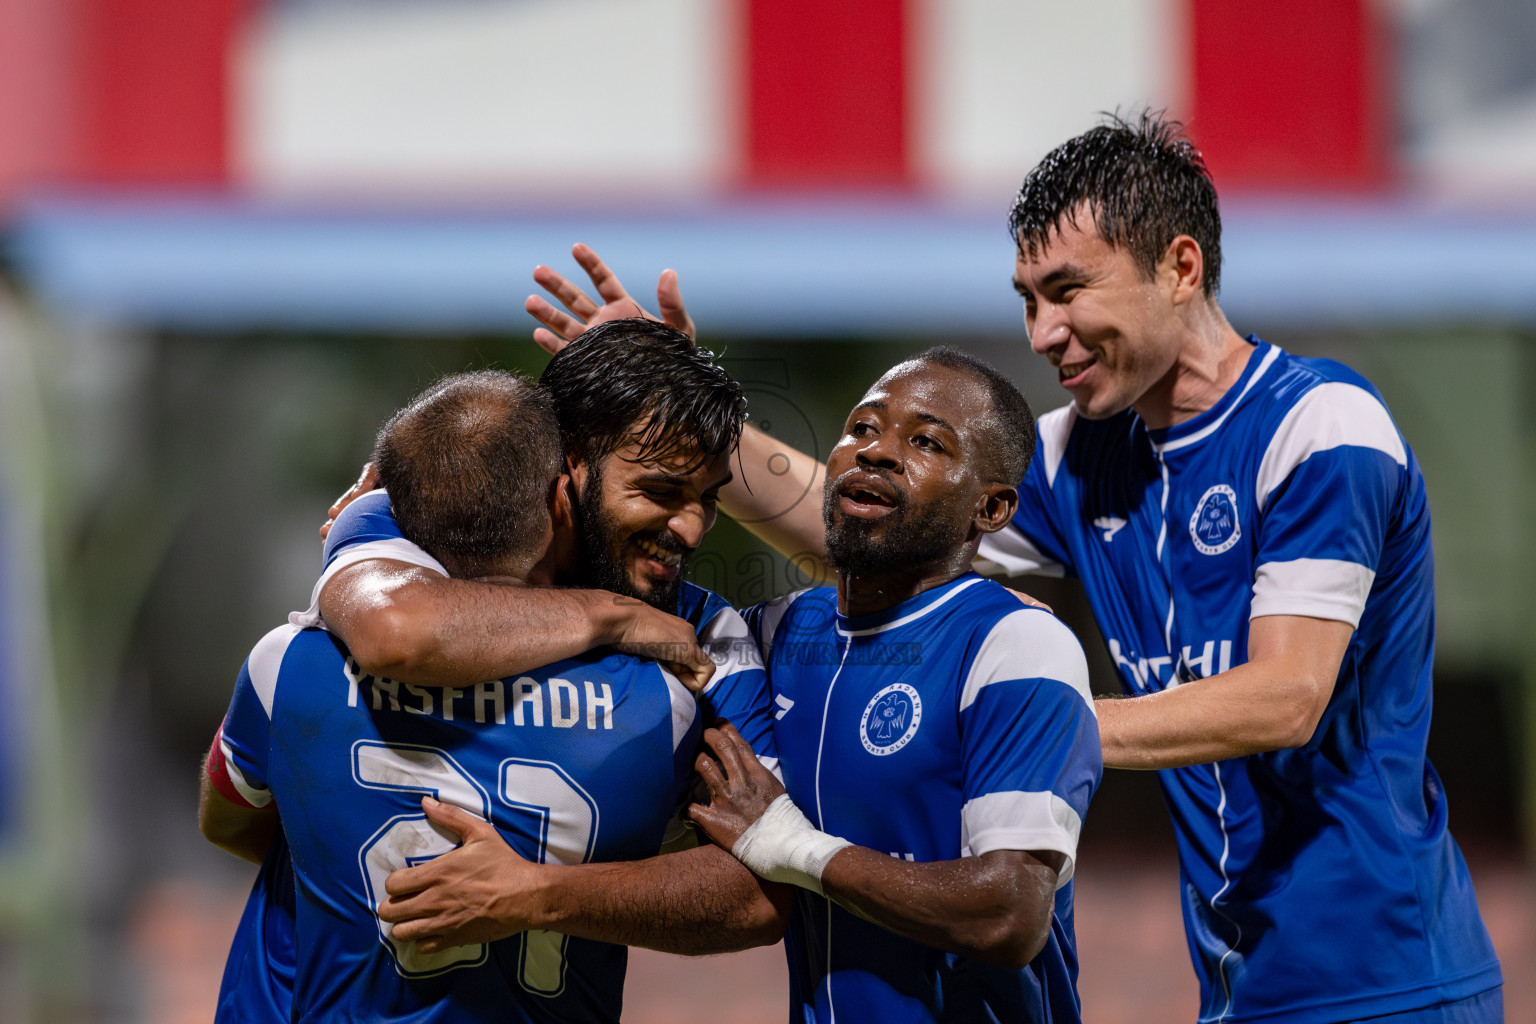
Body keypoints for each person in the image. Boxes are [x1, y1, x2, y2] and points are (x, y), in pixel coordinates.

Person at [540, 113, 1501, 1023]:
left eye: (1070, 291)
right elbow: (870, 518)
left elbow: (1285, 699)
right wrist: (688, 417)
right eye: (1028, 300)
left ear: (1180, 267)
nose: (1043, 333)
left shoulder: (1321, 425)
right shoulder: (1087, 452)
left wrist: (1014, 721)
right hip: (1241, 975)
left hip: (1390, 976)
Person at [198, 370, 760, 1021]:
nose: (691, 526)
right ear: (562, 494)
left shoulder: (290, 663)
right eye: (660, 490)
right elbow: (745, 894)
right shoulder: (667, 694)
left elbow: (228, 822)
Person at [684, 347, 1101, 1022]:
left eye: (927, 442)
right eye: (862, 427)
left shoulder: (1015, 644)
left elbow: (1008, 913)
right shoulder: (772, 634)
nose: (875, 451)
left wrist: (795, 848)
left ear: (991, 507)